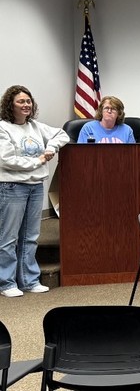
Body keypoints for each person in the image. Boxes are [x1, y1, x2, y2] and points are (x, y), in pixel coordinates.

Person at [0, 85, 70, 297]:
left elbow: (62, 134)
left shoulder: (35, 127)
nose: (26, 105)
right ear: (10, 105)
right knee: (9, 238)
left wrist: (50, 148)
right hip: (12, 187)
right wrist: (38, 161)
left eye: (28, 101)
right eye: (21, 101)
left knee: (31, 236)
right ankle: (6, 283)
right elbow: (6, 160)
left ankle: (29, 280)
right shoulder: (3, 128)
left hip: (35, 186)